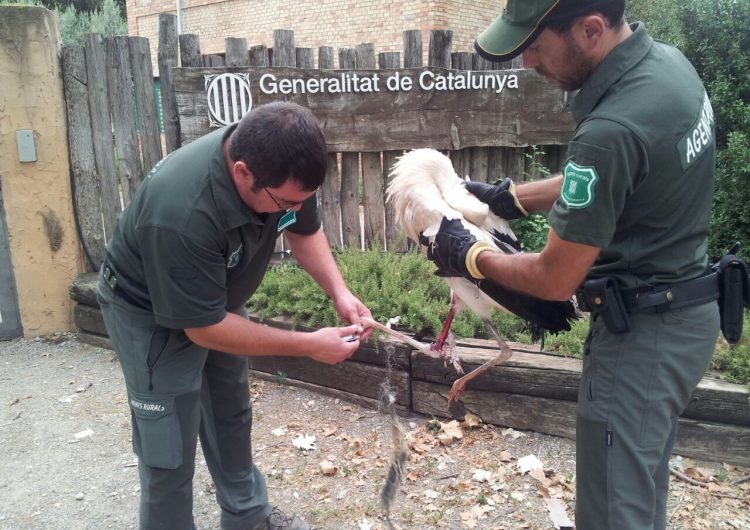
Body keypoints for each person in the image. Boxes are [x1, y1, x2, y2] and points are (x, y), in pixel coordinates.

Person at [424, 1, 720, 528]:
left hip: (639, 343)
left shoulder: (608, 129)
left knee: (612, 513)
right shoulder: (669, 70)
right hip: (685, 321)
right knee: (638, 498)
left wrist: (470, 255)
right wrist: (511, 198)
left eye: (536, 47)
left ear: (590, 30)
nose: (528, 64)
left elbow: (555, 279)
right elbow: (626, 172)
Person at [96, 101, 372, 530]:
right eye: (284, 202)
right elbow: (204, 329)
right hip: (146, 311)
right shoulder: (181, 212)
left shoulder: (282, 165)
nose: (291, 209)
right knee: (167, 448)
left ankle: (247, 517)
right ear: (242, 172)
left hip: (216, 298)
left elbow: (304, 229)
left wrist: (340, 293)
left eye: (301, 200)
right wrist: (308, 345)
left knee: (230, 410)